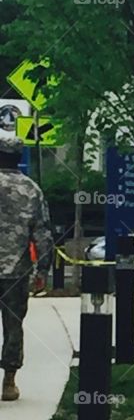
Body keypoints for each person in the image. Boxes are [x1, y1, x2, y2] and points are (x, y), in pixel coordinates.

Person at [0, 133, 53, 402]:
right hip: (16, 271)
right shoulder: (32, 190)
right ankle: (9, 381)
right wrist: (43, 269)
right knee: (13, 325)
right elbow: (42, 233)